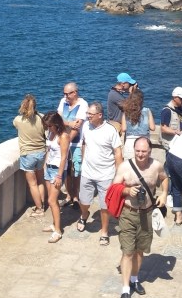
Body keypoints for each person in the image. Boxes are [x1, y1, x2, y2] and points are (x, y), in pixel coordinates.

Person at [113, 136, 168, 298]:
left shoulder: (156, 166)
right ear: (133, 150)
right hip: (128, 214)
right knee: (128, 251)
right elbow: (114, 188)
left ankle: (135, 279)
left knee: (139, 250)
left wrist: (164, 194)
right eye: (138, 151)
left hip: (147, 214)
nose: (140, 154)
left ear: (150, 151)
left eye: (144, 151)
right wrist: (127, 190)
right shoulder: (125, 167)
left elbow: (164, 178)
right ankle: (125, 290)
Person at [76, 101, 123, 245]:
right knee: (83, 201)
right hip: (87, 173)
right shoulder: (85, 127)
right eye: (87, 113)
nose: (88, 116)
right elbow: (84, 143)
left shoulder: (110, 131)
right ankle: (84, 215)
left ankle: (104, 231)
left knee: (105, 206)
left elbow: (117, 153)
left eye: (91, 114)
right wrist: (83, 162)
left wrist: (119, 175)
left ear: (100, 115)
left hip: (106, 175)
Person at [13, 94, 46, 217]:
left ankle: (39, 209)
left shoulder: (18, 120)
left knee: (32, 184)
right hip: (41, 152)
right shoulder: (42, 117)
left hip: (28, 155)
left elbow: (15, 125)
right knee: (40, 180)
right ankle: (43, 203)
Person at [41, 111, 70, 243]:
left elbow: (64, 157)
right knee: (52, 200)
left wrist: (59, 176)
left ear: (56, 124)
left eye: (50, 126)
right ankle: (54, 224)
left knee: (52, 201)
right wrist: (45, 165)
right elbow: (49, 150)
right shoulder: (51, 134)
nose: (48, 128)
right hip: (49, 168)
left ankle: (58, 231)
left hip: (57, 171)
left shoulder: (63, 136)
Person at [58, 82, 87, 208]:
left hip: (76, 143)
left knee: (76, 171)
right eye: (64, 93)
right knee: (66, 170)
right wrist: (69, 123)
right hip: (64, 141)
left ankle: (76, 196)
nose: (65, 96)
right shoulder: (63, 102)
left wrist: (68, 140)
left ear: (75, 93)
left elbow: (78, 125)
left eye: (68, 94)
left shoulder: (83, 104)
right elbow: (57, 119)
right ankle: (69, 195)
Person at [120, 90, 155, 159]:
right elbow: (152, 127)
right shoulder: (147, 111)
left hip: (130, 143)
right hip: (144, 143)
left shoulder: (126, 112)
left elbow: (123, 129)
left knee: (129, 167)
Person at [159, 86, 182, 151]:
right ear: (174, 98)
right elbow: (163, 128)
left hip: (181, 142)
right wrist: (178, 132)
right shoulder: (167, 111)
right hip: (172, 144)